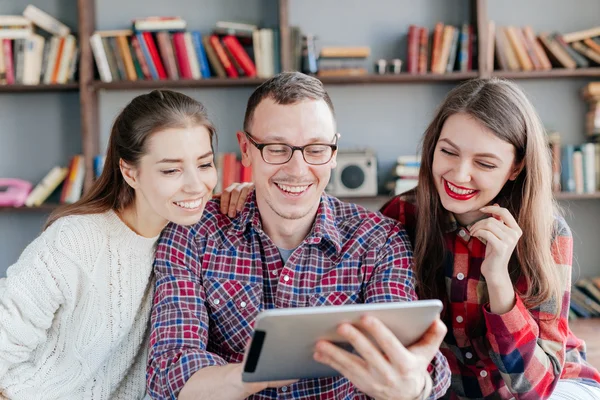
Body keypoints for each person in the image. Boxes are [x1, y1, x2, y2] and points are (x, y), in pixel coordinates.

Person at [146, 71, 451, 400]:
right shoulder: (193, 233)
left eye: (316, 149)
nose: (297, 169)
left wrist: (415, 386)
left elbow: (414, 361)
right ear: (246, 149)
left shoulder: (380, 240)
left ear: (334, 152)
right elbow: (169, 371)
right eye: (277, 149)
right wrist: (259, 370)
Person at [378, 78, 600, 399]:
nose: (459, 174)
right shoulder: (400, 216)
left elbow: (535, 389)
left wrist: (498, 281)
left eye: (484, 162)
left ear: (515, 167)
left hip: (551, 383)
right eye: (448, 152)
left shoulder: (548, 232)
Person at [0, 89, 218, 399]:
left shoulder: (187, 238)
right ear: (130, 172)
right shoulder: (74, 241)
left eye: (205, 164)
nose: (197, 186)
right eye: (172, 170)